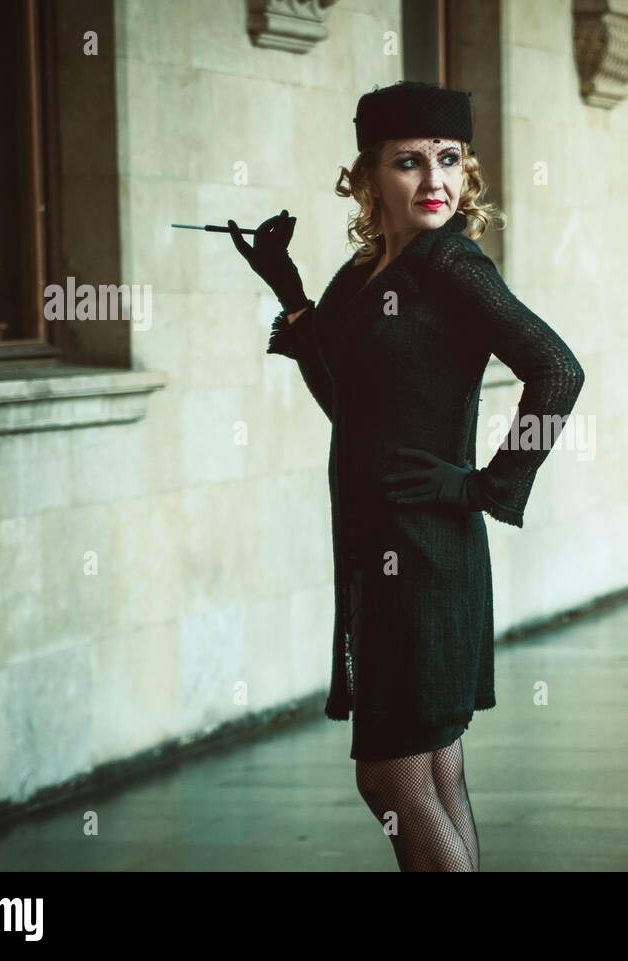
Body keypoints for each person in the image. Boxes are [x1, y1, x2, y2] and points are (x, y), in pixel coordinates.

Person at [229, 80, 585, 871]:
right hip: (376, 545)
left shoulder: (452, 265)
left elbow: (558, 371)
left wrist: (485, 485)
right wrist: (288, 290)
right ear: (366, 178)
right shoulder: (363, 274)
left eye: (449, 160)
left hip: (426, 552)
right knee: (433, 768)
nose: (435, 182)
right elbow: (347, 402)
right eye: (409, 162)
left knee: (391, 776)